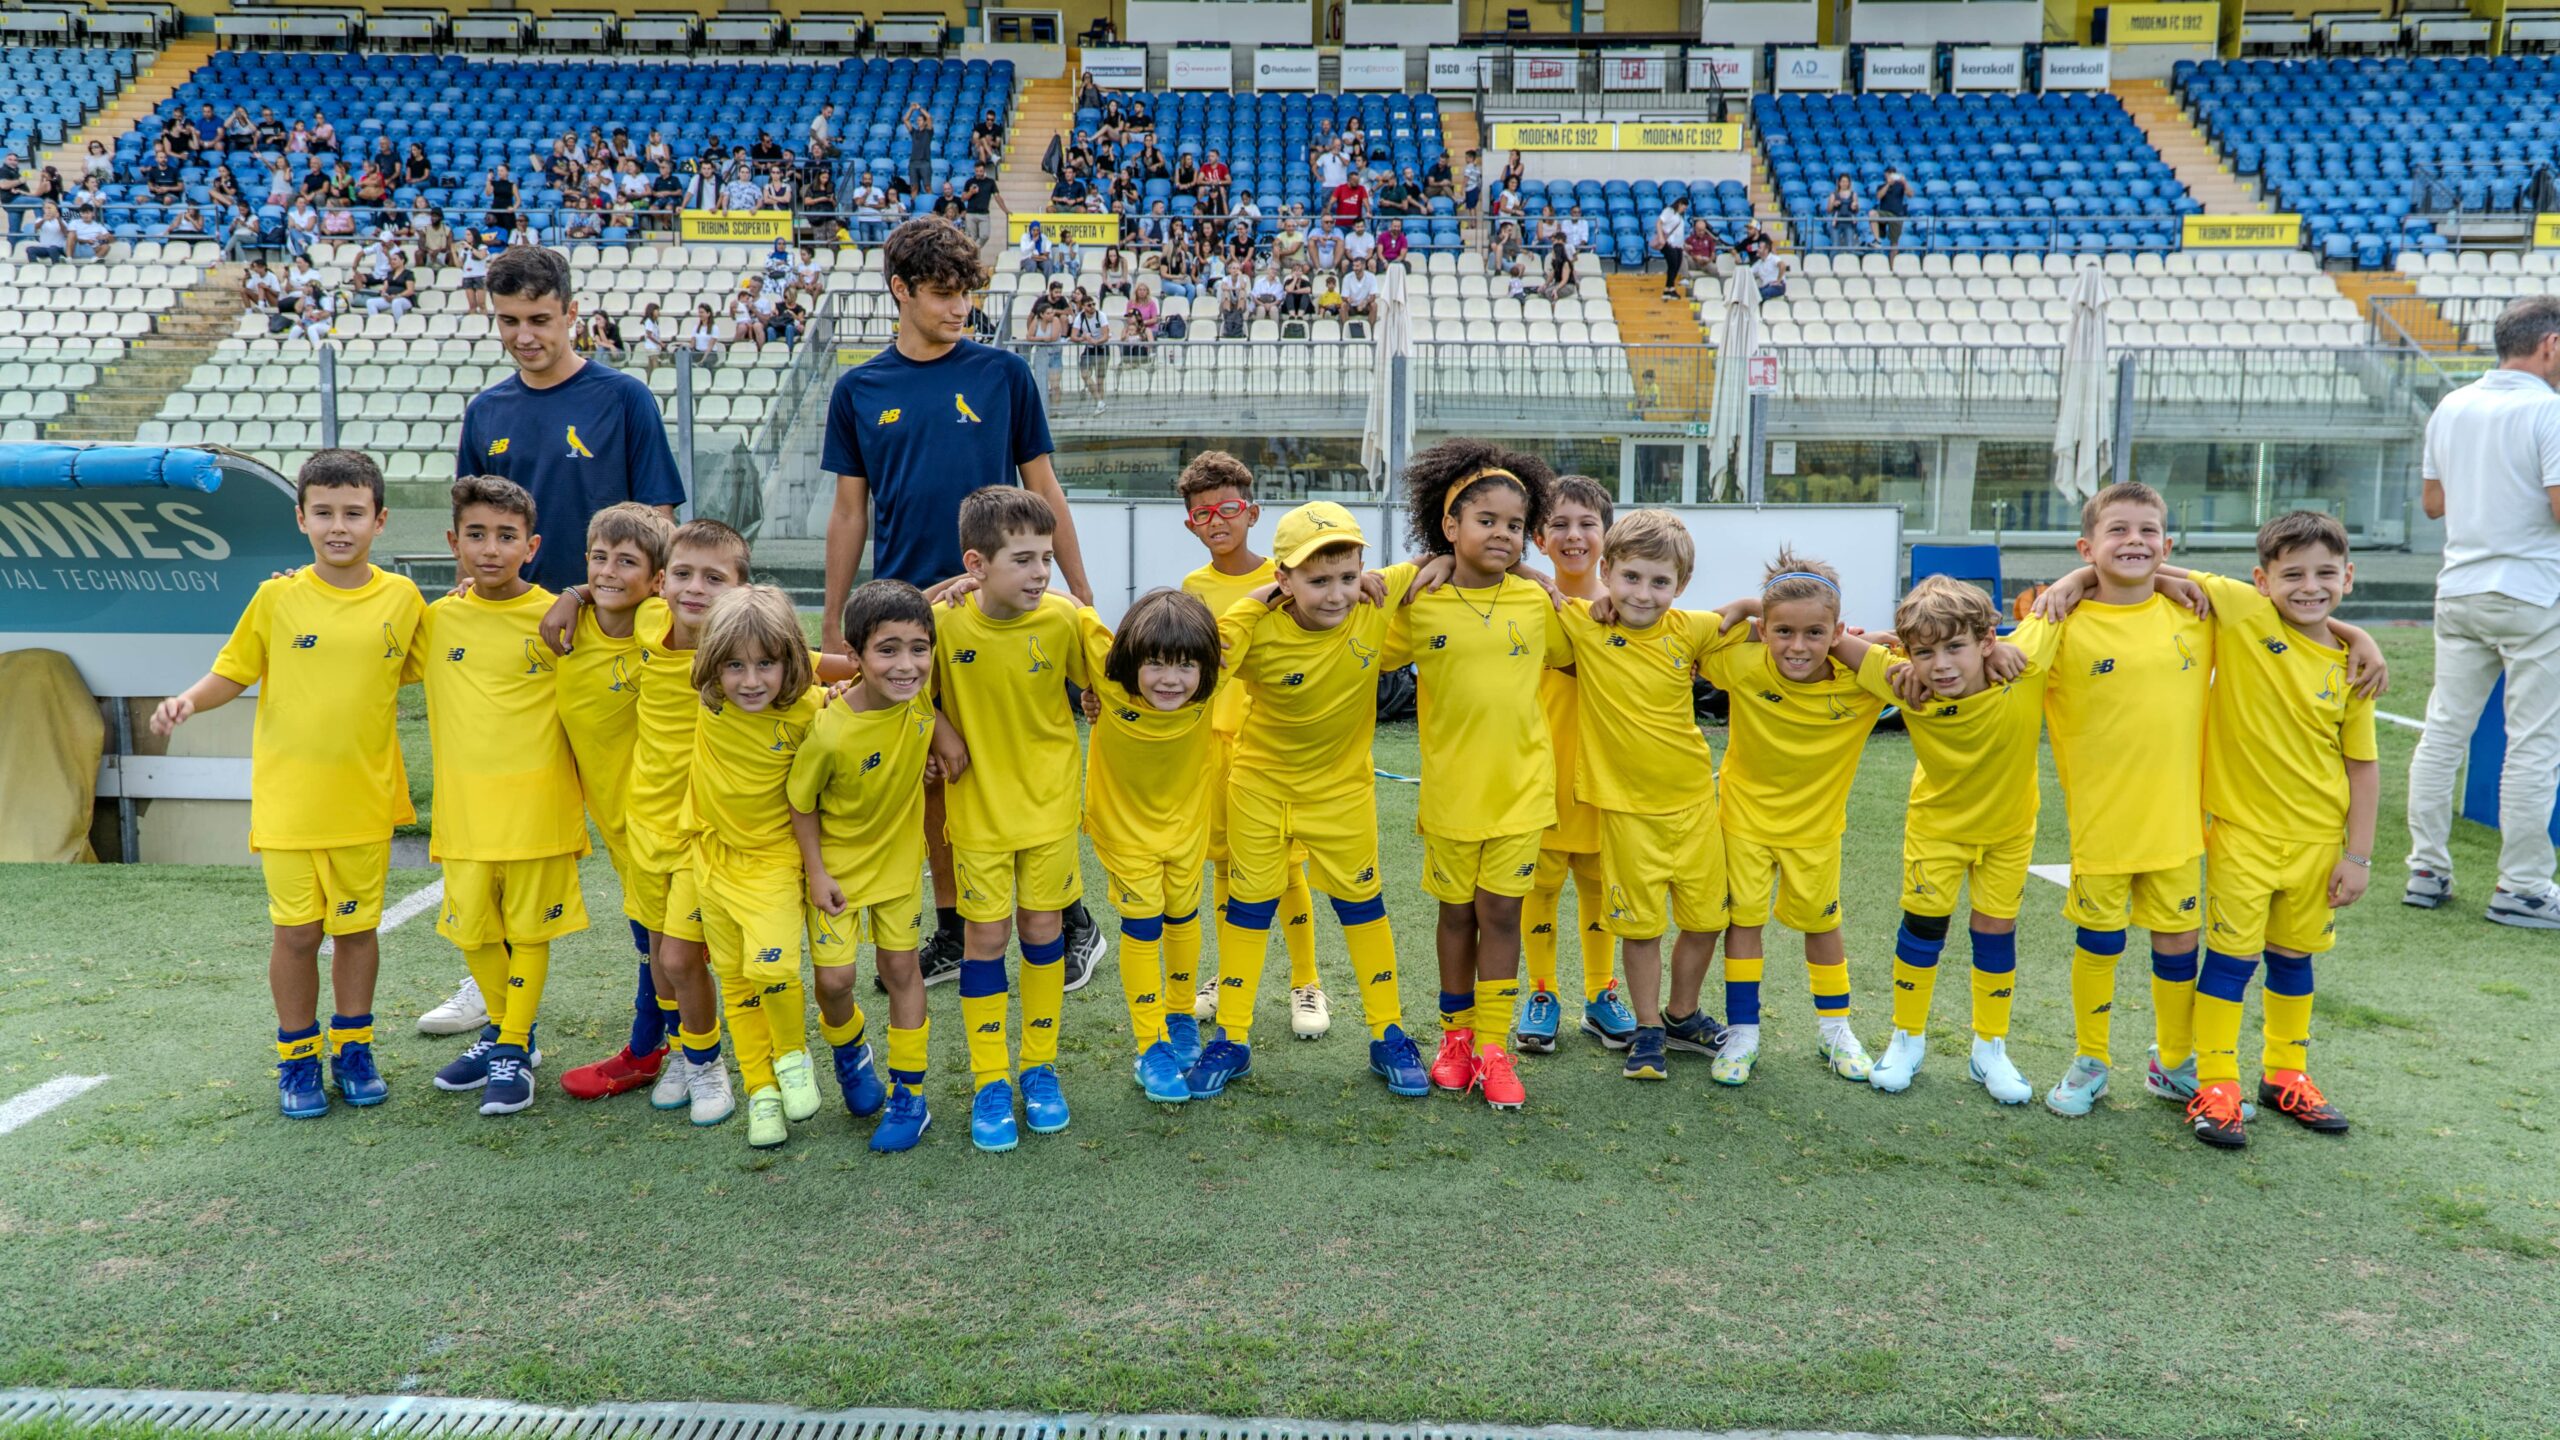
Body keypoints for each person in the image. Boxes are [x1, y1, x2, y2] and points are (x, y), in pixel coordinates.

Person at [819, 217, 1102, 985]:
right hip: (911, 616)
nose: (960, 310)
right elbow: (850, 512)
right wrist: (835, 625)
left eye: (968, 295)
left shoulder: (1003, 375)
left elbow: (1044, 487)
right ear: (900, 290)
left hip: (1004, 606)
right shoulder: (859, 389)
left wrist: (1078, 595)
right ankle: (953, 925)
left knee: (1029, 757)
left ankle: (1071, 916)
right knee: (938, 773)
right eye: (944, 295)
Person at [149, 451, 426, 1120]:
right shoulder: (276, 597)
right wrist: (189, 699)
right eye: (324, 513)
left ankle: (354, 1048)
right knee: (297, 933)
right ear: (301, 518)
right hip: (291, 805)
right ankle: (297, 1055)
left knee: (358, 931)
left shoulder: (404, 598)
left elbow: (443, 659)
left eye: (353, 513)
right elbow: (234, 672)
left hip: (364, 802)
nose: (339, 526)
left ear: (379, 520)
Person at [2136, 516, 2375, 1149]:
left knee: (2294, 958)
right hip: (2241, 834)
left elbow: (2363, 767)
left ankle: (2285, 1073)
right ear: (2261, 580)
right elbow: (2145, 570)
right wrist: (2078, 578)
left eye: (2326, 574)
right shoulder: (2243, 612)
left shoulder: (2356, 667)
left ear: (2347, 577)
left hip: (2320, 844)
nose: (2310, 587)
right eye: (2292, 574)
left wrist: (2359, 856)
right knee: (2233, 959)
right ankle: (2216, 1082)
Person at [1182, 501, 1431, 1101]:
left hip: (1342, 795)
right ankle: (1233, 1041)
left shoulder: (1375, 603)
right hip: (1260, 788)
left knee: (1362, 907)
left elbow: (1449, 560)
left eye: (1348, 576)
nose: (1337, 594)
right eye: (1317, 580)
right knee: (1248, 909)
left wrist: (1535, 578)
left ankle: (1389, 1033)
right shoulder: (1258, 625)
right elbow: (1202, 660)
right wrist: (1251, 604)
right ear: (1283, 578)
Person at [1375, 444, 1573, 1111]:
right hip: (1452, 796)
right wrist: (1417, 568)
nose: (1501, 533)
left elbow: (1593, 635)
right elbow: (1359, 599)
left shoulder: (1536, 600)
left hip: (1520, 792)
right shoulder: (1421, 600)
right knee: (1456, 915)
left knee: (1501, 914)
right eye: (1484, 519)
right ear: (1449, 525)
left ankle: (1493, 1047)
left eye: (1515, 524)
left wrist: (1552, 582)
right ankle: (1454, 1039)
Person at [920, 489, 1093, 1151]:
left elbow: (1101, 684)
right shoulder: (943, 623)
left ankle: (1039, 1069)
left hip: (1048, 808)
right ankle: (992, 1080)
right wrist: (940, 729)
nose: (1040, 573)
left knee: (1044, 930)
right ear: (977, 563)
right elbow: (900, 678)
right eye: (1023, 559)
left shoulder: (1063, 620)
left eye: (1046, 558)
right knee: (985, 940)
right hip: (978, 813)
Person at [418, 475, 592, 1118]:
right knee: (472, 930)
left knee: (527, 930)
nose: (490, 549)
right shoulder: (433, 621)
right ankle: (503, 1031)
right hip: (463, 814)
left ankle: (513, 1046)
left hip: (537, 810)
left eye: (506, 536)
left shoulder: (558, 618)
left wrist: (575, 591)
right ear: (453, 542)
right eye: (476, 535)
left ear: (532, 544)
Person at [1843, 575, 2053, 1101]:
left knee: (1995, 932)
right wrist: (1891, 656)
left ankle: (1990, 1050)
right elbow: (1826, 637)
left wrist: (2070, 578)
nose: (1941, 665)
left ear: (1987, 641)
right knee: (1923, 928)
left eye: (1956, 647)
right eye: (1926, 652)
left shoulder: (2022, 666)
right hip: (1936, 830)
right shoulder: (1903, 682)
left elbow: (2080, 588)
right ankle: (1906, 1039)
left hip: (2008, 833)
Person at [1696, 550, 1894, 1085]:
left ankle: (1835, 1031)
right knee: (1745, 922)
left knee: (1823, 924)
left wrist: (1853, 645)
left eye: (1814, 633)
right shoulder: (1744, 663)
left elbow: (1907, 675)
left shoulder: (1865, 678)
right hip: (1743, 822)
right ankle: (1743, 1034)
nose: (1797, 646)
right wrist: (1743, 607)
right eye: (1782, 631)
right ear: (1764, 629)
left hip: (1816, 831)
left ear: (1836, 632)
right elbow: (1698, 643)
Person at [2404, 296, 2560, 928]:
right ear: (2551, 345)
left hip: (2461, 586)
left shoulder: (2452, 404)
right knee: (2533, 742)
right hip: (2533, 592)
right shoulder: (2549, 411)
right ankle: (2522, 886)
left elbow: (2433, 503)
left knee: (2442, 733)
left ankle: (2426, 870)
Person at [1170, 454, 1329, 1037]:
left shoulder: (1288, 580)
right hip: (1210, 745)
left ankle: (1306, 981)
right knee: (1223, 865)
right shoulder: (1193, 588)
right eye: (1203, 513)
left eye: (1229, 509)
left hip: (1268, 744)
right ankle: (1227, 976)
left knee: (1286, 869)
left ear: (1252, 513)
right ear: (1191, 524)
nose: (1217, 521)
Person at [792, 580, 952, 1152]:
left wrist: (941, 743)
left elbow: (942, 610)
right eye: (888, 650)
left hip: (900, 871)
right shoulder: (831, 729)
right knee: (834, 982)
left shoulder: (921, 696)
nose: (907, 665)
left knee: (901, 971)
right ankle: (851, 1053)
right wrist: (817, 873)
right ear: (854, 658)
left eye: (919, 648)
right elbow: (801, 802)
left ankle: (910, 1095)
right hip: (837, 873)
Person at [683, 585, 826, 1150]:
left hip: (771, 862)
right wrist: (573, 595)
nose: (750, 681)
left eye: (766, 664)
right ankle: (761, 1091)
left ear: (790, 659)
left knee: (773, 972)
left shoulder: (811, 709)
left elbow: (877, 650)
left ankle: (792, 1055)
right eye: (735, 665)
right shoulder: (710, 699)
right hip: (710, 861)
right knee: (737, 983)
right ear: (711, 667)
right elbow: (648, 600)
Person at [1074, 588, 1225, 1104]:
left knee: (1183, 914)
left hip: (1186, 826)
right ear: (1130, 659)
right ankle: (1150, 1046)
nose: (1170, 679)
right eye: (1156, 664)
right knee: (1143, 921)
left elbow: (1258, 608)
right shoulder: (1107, 670)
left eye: (1185, 666)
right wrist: (965, 586)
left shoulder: (1210, 682)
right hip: (1123, 829)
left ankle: (1180, 1014)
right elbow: (1068, 609)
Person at [1514, 476, 1629, 1054]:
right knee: (1540, 886)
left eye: (1587, 523)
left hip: (1607, 780)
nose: (1574, 535)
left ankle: (1600, 993)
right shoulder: (1525, 603)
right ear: (1537, 537)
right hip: (1540, 778)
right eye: (1558, 523)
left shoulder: (1634, 609)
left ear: (1607, 536)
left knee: (1600, 886)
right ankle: (1541, 993)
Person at [1655, 195, 1690, 300]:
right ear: (1680, 204)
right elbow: (1659, 222)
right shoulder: (1669, 211)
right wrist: (1661, 236)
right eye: (1684, 207)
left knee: (1676, 265)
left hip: (1678, 245)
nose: (1684, 209)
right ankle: (1669, 289)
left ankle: (1669, 288)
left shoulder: (1680, 217)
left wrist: (1684, 244)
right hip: (1668, 243)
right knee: (1673, 264)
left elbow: (1679, 233)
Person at [903, 100, 936, 198]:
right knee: (914, 187)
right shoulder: (914, 132)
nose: (918, 122)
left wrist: (919, 108)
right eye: (917, 120)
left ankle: (933, 205)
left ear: (925, 122)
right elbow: (905, 120)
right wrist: (911, 109)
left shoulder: (928, 132)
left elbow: (929, 117)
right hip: (913, 162)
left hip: (924, 162)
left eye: (920, 120)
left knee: (927, 187)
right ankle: (913, 206)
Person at [1874, 165, 1910, 251]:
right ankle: (1877, 240)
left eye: (1893, 173)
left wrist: (1905, 183)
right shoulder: (1881, 186)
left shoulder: (1900, 186)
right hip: (1885, 213)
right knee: (1872, 213)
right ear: (1885, 174)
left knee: (1894, 243)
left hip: (1897, 215)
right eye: (1889, 173)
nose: (1891, 175)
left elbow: (1910, 194)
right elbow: (1879, 196)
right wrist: (1888, 184)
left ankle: (1892, 263)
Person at [1825, 173, 1861, 250]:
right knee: (1835, 246)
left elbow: (1857, 210)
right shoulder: (1834, 195)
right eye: (1843, 181)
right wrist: (1833, 204)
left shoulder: (1853, 194)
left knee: (1850, 246)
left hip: (1849, 223)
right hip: (1837, 223)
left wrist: (1855, 206)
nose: (1844, 184)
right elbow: (1828, 210)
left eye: (1846, 182)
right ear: (1839, 183)